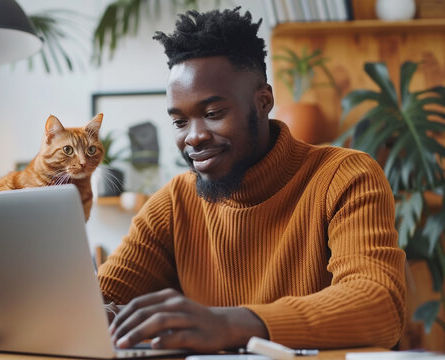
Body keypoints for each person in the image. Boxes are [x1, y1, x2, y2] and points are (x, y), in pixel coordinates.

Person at [97, 7, 406, 352]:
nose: (193, 137)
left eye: (213, 114)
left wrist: (229, 324)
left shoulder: (344, 176)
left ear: (263, 101)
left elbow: (379, 305)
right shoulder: (174, 203)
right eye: (180, 122)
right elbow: (96, 301)